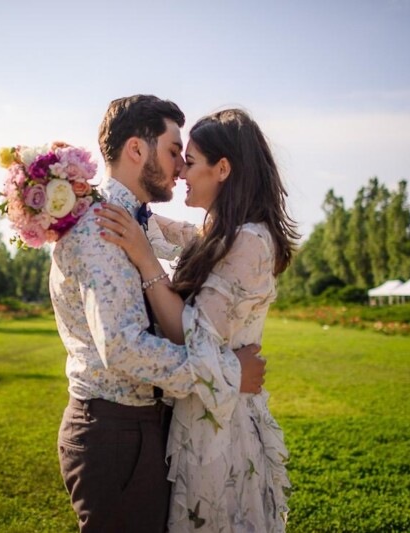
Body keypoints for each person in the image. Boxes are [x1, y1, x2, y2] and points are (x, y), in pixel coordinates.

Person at [50, 95, 268, 532]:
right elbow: (124, 348)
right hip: (115, 430)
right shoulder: (102, 228)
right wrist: (226, 373)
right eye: (173, 151)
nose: (180, 167)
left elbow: (198, 243)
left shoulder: (128, 220)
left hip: (140, 425)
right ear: (137, 149)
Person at [95, 108, 298, 531]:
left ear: (222, 168)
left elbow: (191, 335)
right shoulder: (221, 233)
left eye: (189, 160)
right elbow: (159, 227)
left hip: (219, 427)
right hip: (203, 408)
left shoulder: (249, 241)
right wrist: (92, 197)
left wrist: (144, 257)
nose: (181, 170)